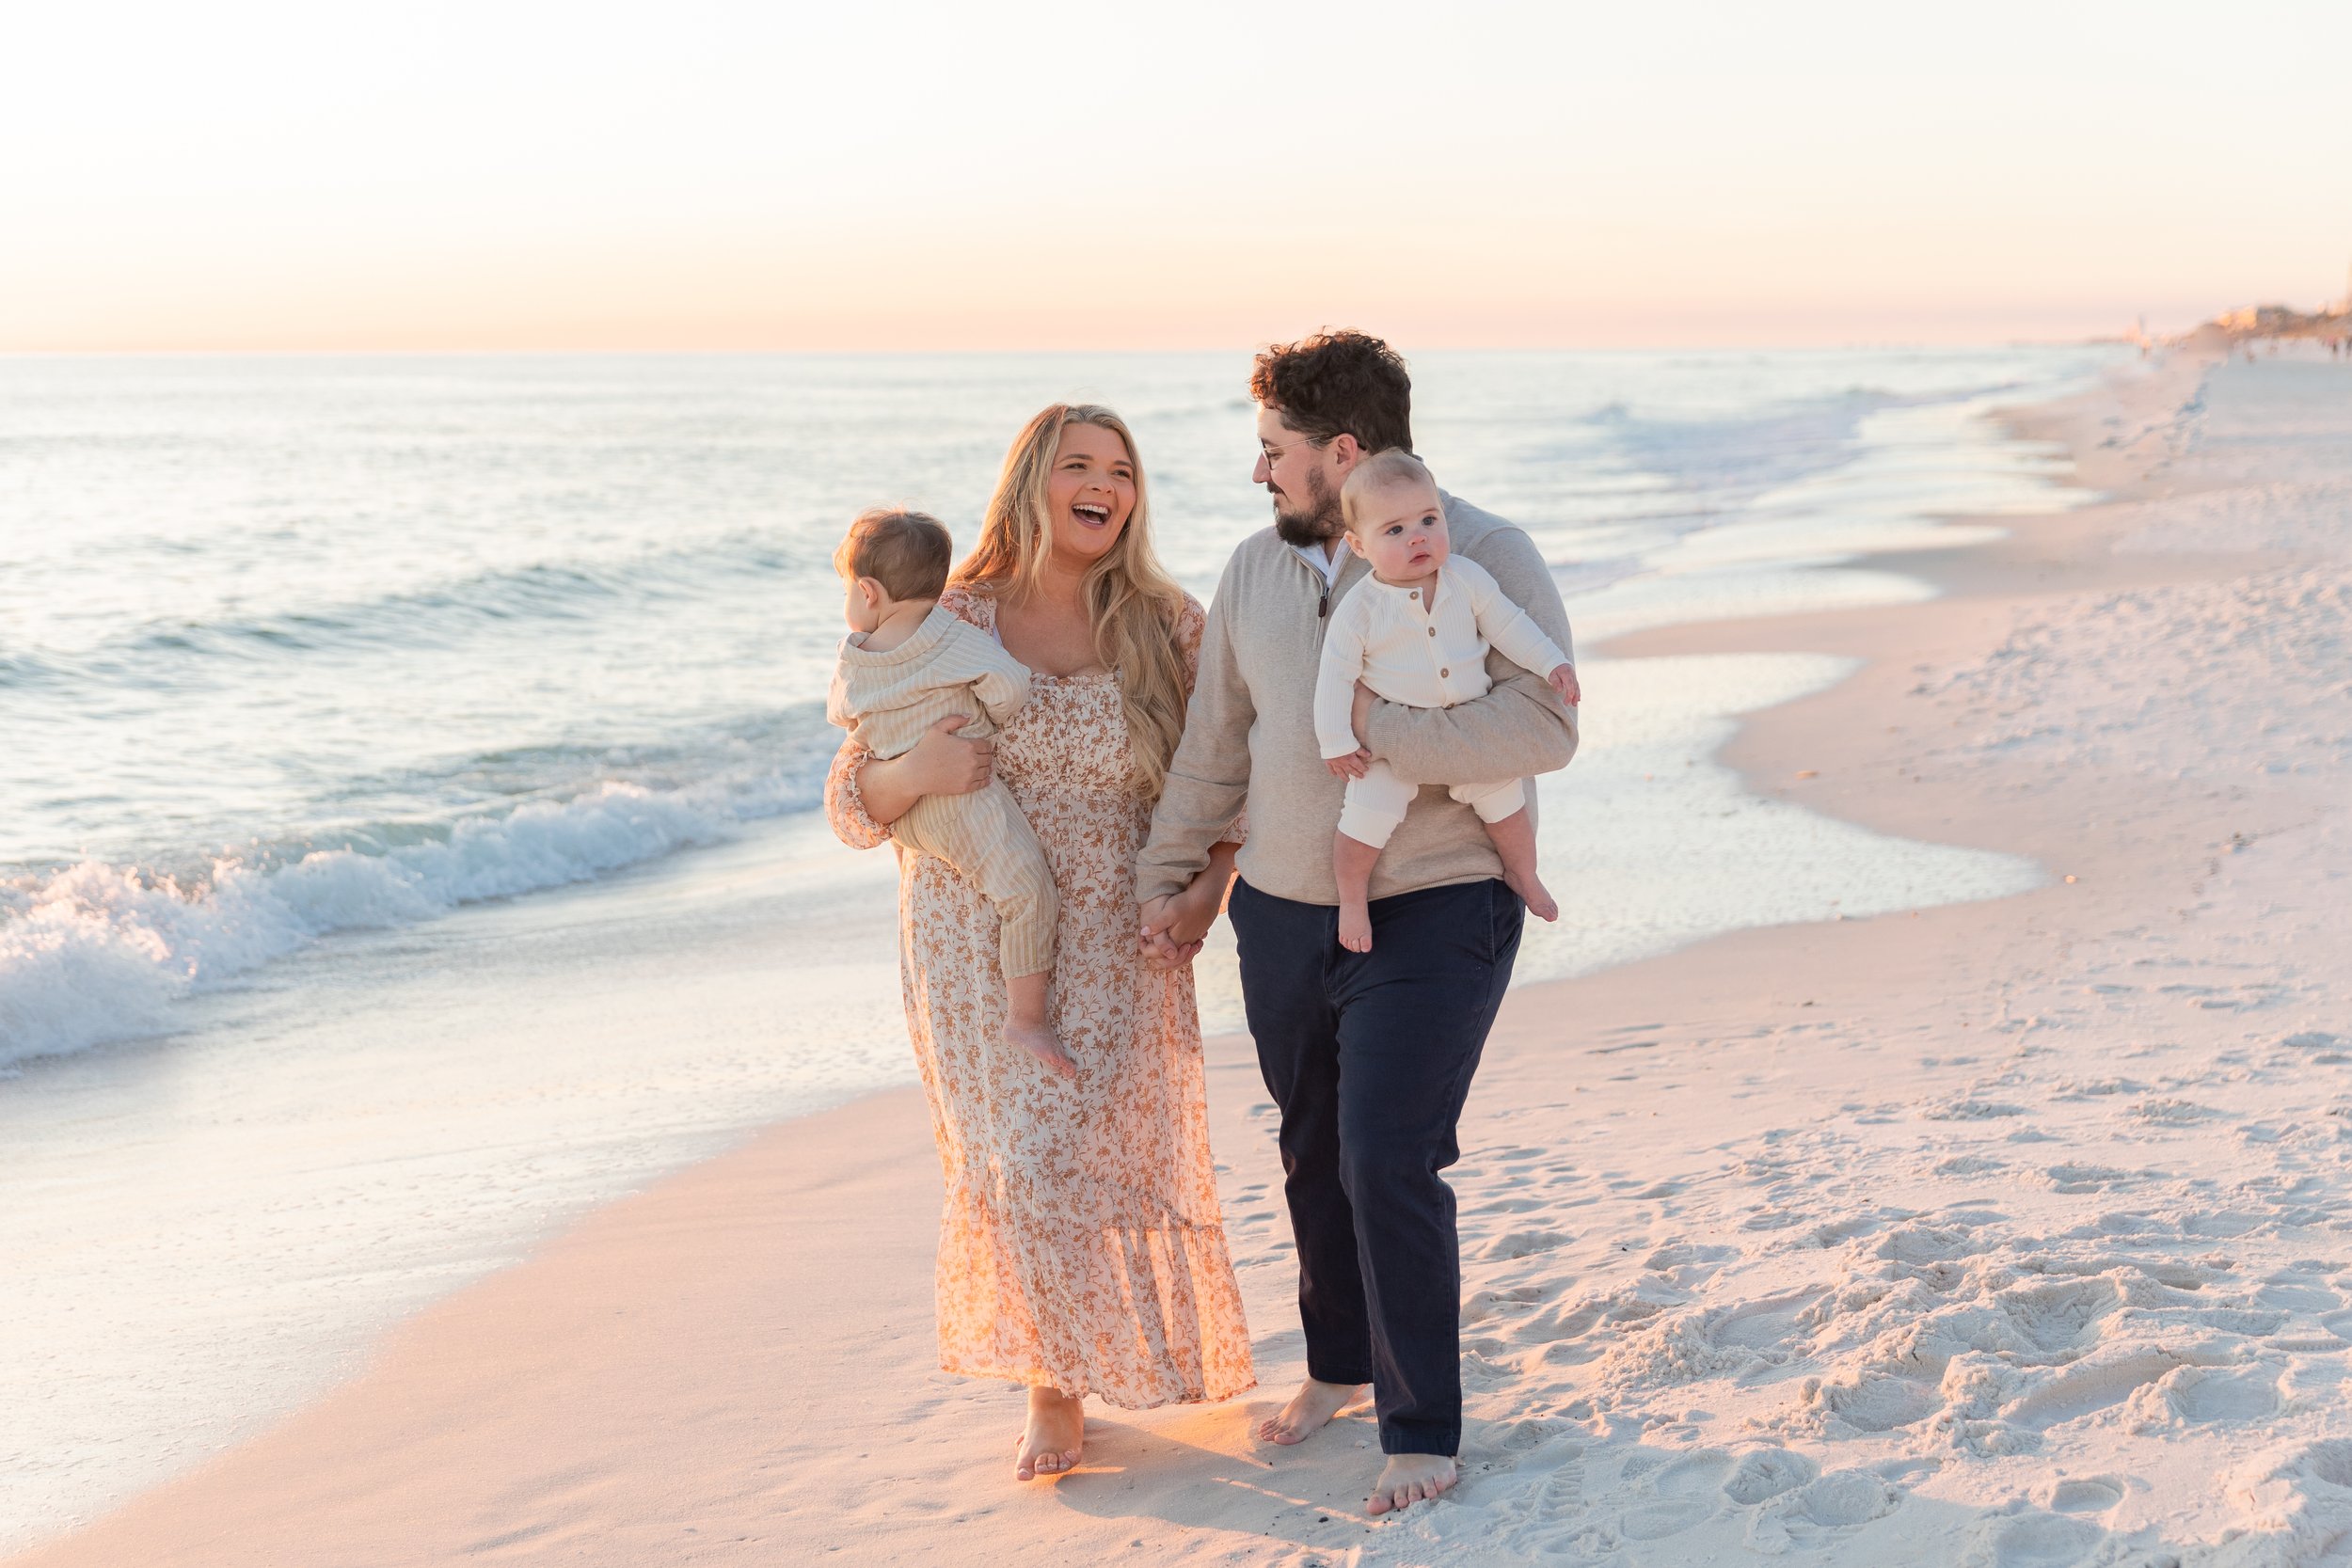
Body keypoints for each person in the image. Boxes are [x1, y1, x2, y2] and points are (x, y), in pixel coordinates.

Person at [1136, 330, 1578, 1516]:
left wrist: (1380, 735)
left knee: (1388, 1152)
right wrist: (1165, 878)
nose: (1259, 474)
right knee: (1310, 1146)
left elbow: (1545, 726)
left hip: (1441, 903)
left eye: (1272, 451)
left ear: (1338, 453)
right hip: (1280, 914)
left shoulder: (1483, 553)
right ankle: (1336, 1363)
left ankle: (1420, 1425)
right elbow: (1213, 742)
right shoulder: (1255, 569)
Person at [823, 404, 1252, 1483]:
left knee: (1094, 1161)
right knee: (1026, 1161)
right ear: (1032, 482)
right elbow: (848, 797)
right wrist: (913, 774)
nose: (1104, 484)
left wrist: (1208, 889)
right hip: (972, 937)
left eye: (1122, 470)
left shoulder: (1166, 623)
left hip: (1120, 938)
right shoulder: (944, 612)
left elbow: (1230, 781)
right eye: (1079, 466)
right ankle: (1052, 1385)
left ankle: (1076, 1359)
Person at [826, 507, 1070, 1075]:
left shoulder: (853, 658)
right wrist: (990, 716)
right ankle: (1027, 1018)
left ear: (868, 592)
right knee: (1028, 892)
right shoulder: (951, 637)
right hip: (963, 803)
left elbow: (842, 717)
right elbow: (1010, 683)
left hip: (904, 817)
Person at [1314, 451, 1579, 952]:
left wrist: (1552, 663)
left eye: (1429, 520)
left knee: (1510, 810)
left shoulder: (1465, 577)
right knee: (1363, 825)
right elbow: (1335, 677)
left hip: (1465, 731)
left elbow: (1509, 623)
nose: (1418, 536)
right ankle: (1352, 899)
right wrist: (1335, 741)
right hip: (1390, 746)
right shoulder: (1362, 608)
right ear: (1358, 545)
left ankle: (1524, 874)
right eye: (1394, 530)